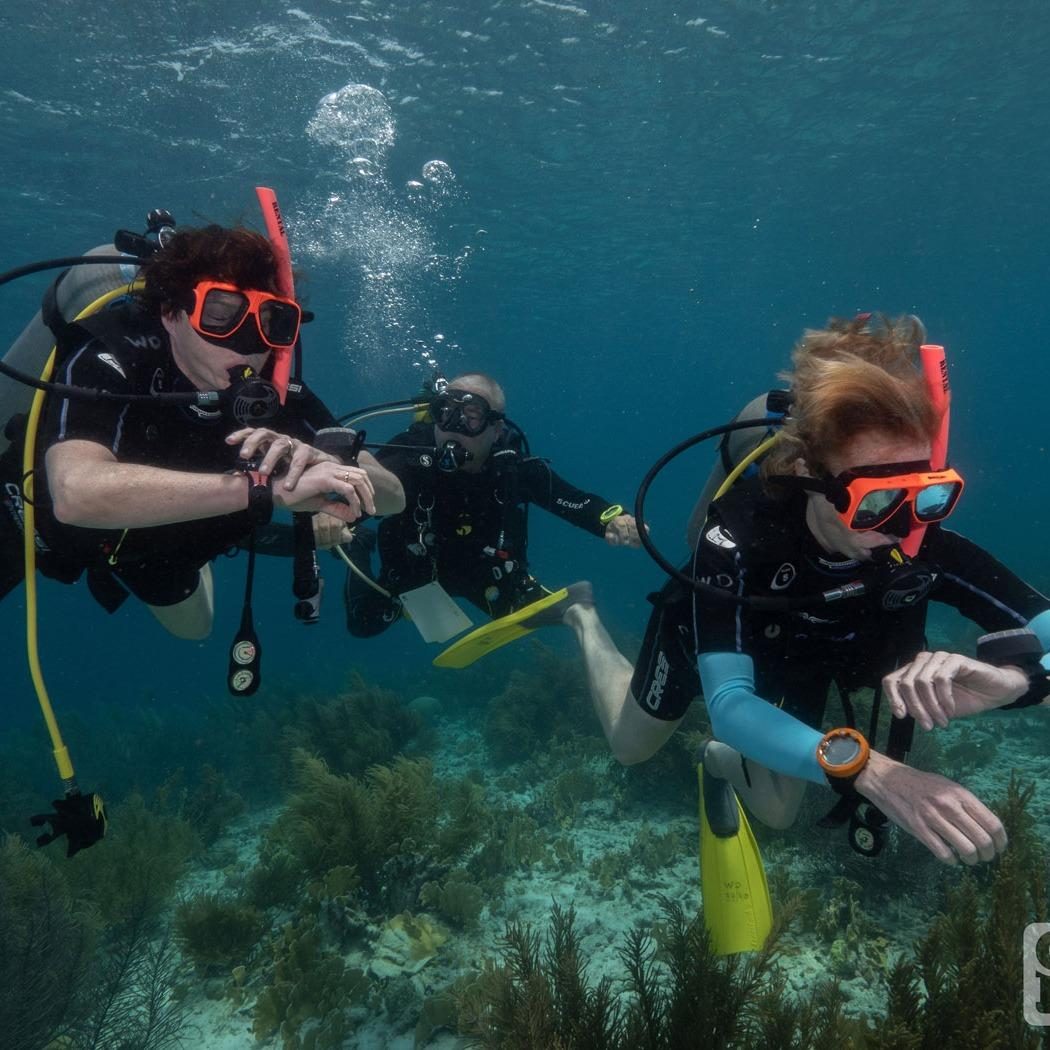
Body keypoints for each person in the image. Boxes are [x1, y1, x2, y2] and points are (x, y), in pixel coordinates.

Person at [554, 315, 1050, 866]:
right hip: (713, 635)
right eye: (876, 501)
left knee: (779, 814)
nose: (902, 525)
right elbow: (730, 704)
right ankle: (583, 618)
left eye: (926, 496)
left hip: (801, 656)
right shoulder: (738, 538)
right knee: (629, 749)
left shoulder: (921, 541)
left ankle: (721, 763)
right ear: (808, 475)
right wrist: (874, 772)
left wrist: (1013, 682)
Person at [0, 224, 405, 639]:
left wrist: (336, 462)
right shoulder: (115, 353)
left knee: (196, 630)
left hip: (155, 553)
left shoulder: (279, 394)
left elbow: (394, 496)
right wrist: (267, 492)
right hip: (32, 523)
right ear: (172, 314)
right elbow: (76, 494)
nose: (248, 343)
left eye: (271, 322)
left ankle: (220, 514)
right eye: (219, 314)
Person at [344, 372, 642, 638]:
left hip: (486, 571)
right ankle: (359, 545)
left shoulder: (511, 467)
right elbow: (371, 485)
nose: (452, 428)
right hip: (417, 569)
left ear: (496, 429)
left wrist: (611, 519)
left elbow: (571, 499)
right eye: (444, 413)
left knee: (535, 614)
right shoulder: (413, 454)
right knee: (364, 623)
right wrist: (336, 516)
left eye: (471, 417)